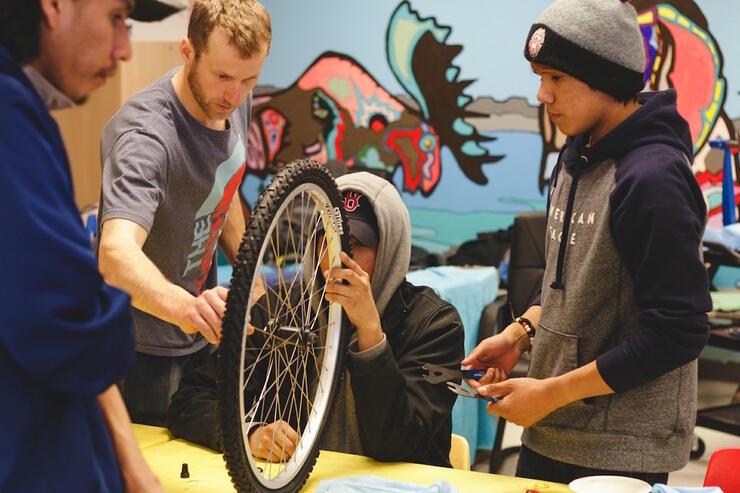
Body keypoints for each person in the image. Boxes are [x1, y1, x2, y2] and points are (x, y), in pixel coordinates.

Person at [463, 0, 712, 485]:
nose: (542, 95)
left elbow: (680, 332)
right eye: (539, 76)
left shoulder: (652, 179)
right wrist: (519, 334)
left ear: (607, 78)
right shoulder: (576, 155)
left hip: (620, 449)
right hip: (554, 428)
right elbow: (570, 282)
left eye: (556, 78)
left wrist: (553, 392)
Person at [0, 0, 185, 491]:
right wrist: (112, 318)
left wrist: (129, 462)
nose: (125, 49)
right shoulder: (9, 113)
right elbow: (71, 317)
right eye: (116, 18)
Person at [167, 171, 465, 467]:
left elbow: (397, 445)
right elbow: (189, 401)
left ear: (389, 247)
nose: (337, 257)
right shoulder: (279, 310)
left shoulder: (435, 325)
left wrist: (370, 334)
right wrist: (249, 433)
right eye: (328, 240)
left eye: (356, 243)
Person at [96, 0, 271, 426]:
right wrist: (187, 309)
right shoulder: (146, 138)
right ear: (187, 51)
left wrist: (253, 274)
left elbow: (222, 186)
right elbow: (114, 256)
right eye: (224, 77)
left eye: (249, 79)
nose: (234, 94)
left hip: (198, 336)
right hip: (140, 351)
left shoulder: (231, 99)